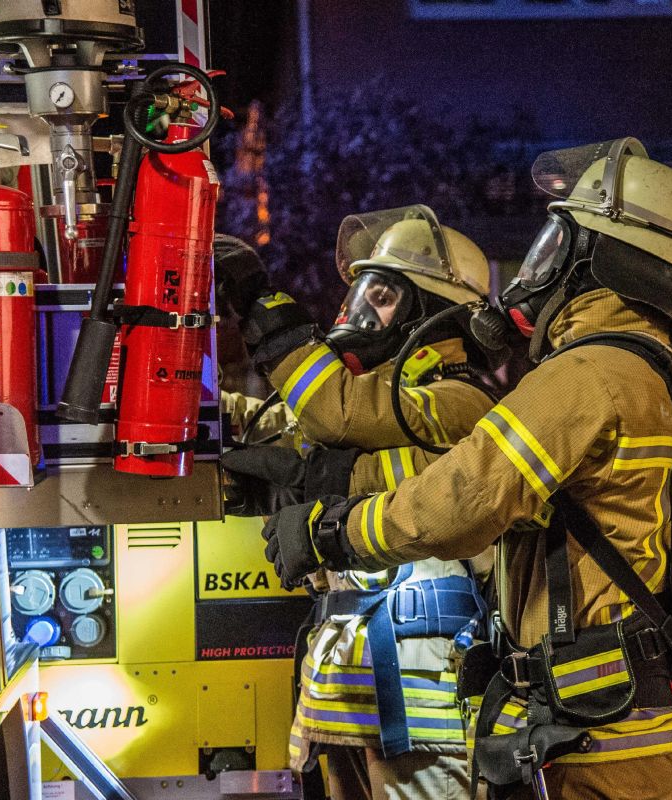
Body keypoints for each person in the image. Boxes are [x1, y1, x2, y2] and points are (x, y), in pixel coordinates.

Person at [257, 139, 672, 799]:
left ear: (603, 257)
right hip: (624, 709)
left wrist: (336, 529)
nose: (537, 269)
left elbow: (465, 497)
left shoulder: (587, 375)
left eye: (556, 245)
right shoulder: (663, 374)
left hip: (602, 721)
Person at [214, 205, 500, 800]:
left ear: (434, 312)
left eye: (383, 294)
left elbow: (338, 410)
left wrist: (266, 309)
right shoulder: (367, 409)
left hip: (425, 711)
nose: (357, 311)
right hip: (345, 695)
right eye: (361, 291)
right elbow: (271, 430)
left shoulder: (462, 401)